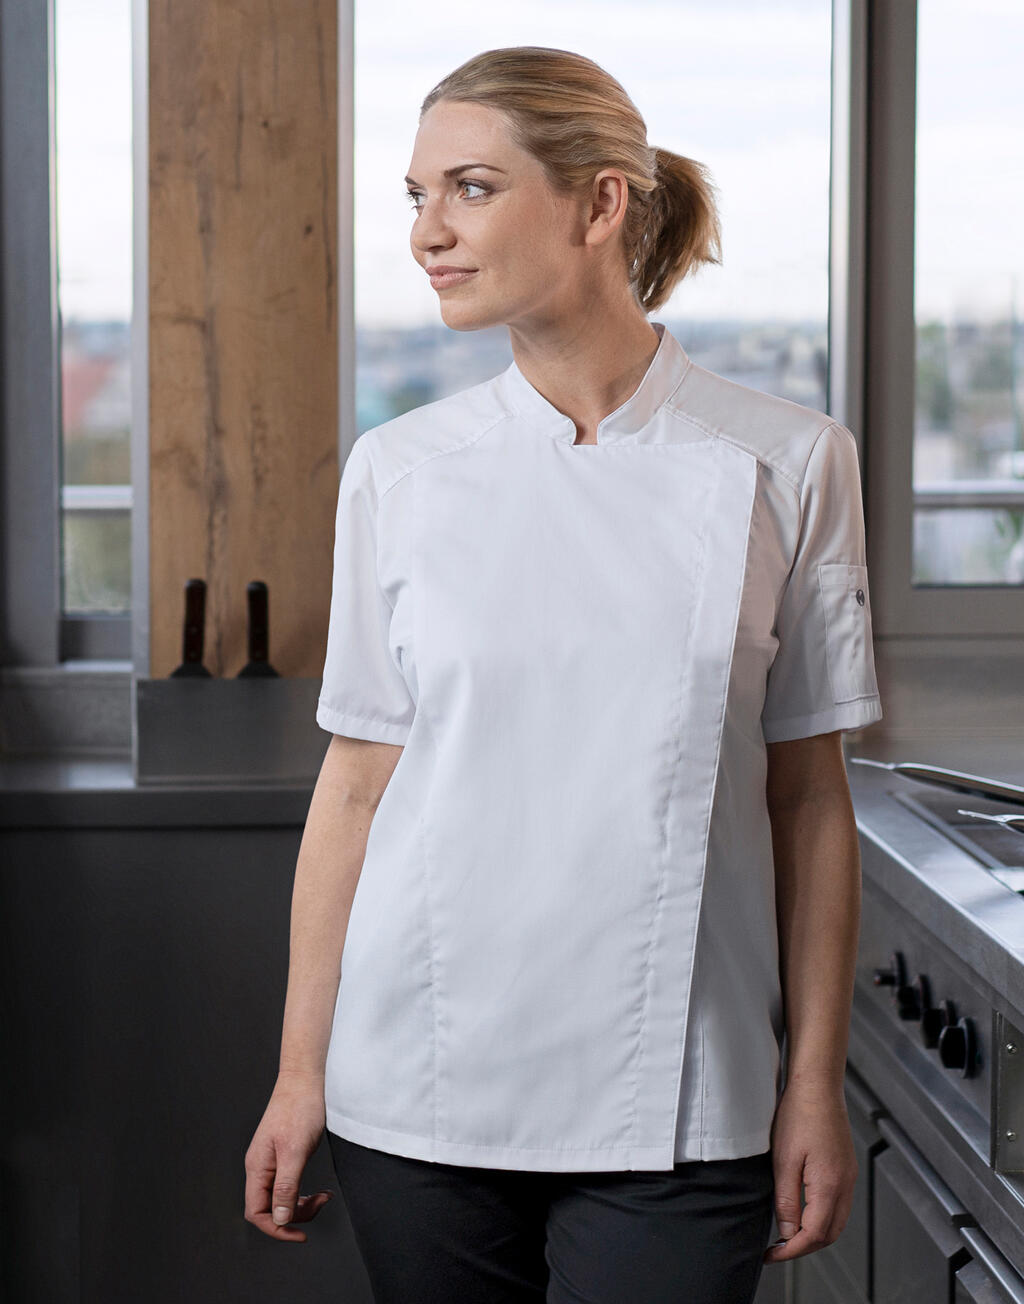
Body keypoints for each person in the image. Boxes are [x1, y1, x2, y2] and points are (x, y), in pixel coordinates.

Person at [244, 45, 883, 1304]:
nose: (428, 231)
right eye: (417, 195)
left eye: (471, 188)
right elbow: (358, 786)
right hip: (417, 1079)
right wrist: (300, 1069)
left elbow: (808, 796)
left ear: (599, 204)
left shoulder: (792, 461)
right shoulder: (398, 471)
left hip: (684, 1092)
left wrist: (812, 1079)